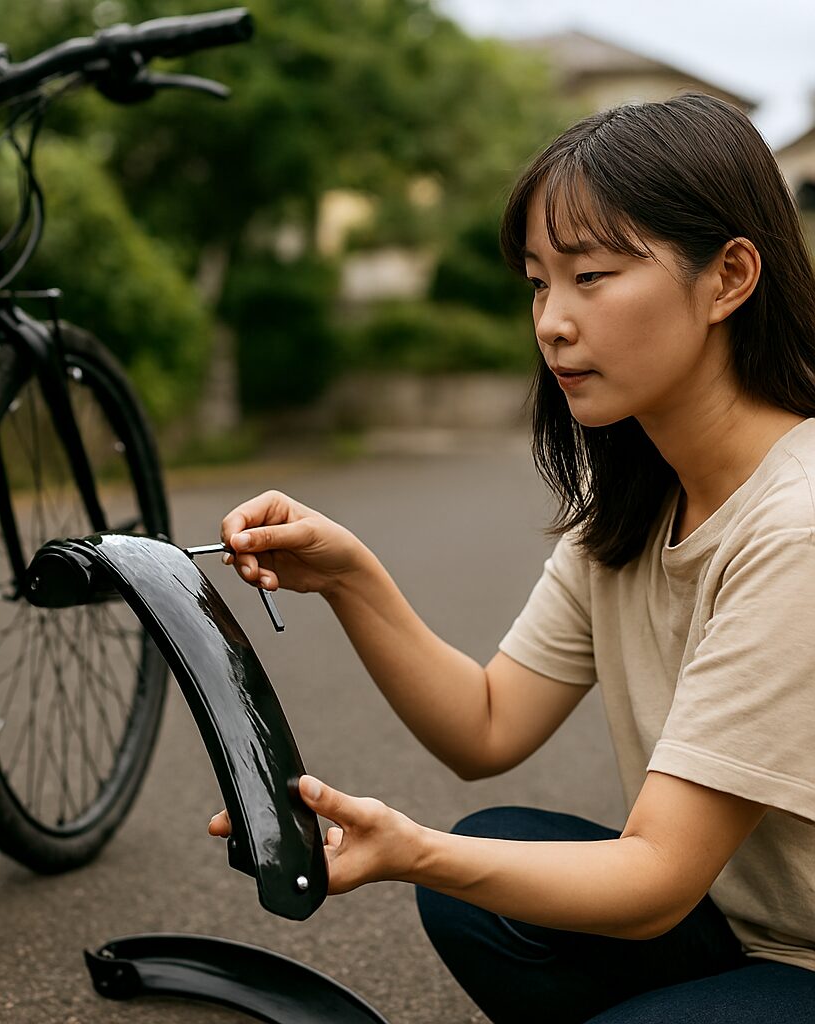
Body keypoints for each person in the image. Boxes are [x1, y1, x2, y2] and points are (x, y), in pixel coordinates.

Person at [207, 93, 815, 1022]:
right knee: (481, 876)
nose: (552, 322)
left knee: (463, 865)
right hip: (730, 930)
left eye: (593, 276)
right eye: (539, 282)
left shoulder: (797, 525)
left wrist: (409, 848)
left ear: (729, 278)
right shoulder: (635, 503)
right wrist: (348, 576)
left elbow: (654, 878)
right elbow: (486, 728)